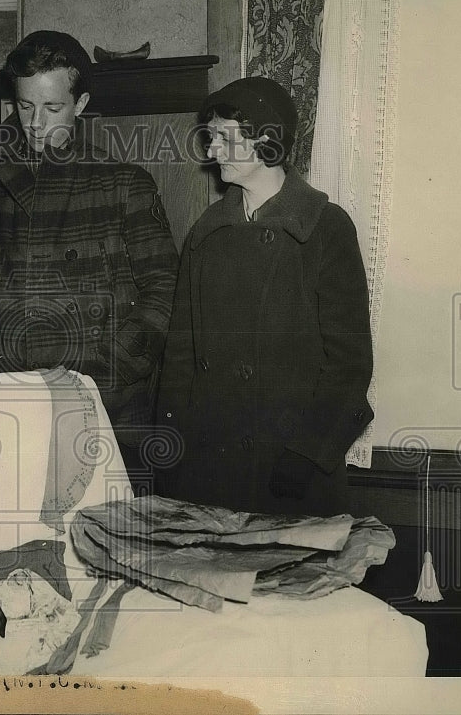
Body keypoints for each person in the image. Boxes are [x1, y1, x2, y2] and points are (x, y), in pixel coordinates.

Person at [0, 30, 179, 492]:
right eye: (25, 106)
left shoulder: (124, 184)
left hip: (107, 412)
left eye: (52, 108)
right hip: (13, 408)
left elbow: (166, 293)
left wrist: (100, 369)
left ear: (81, 103)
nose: (34, 123)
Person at [156, 76, 374, 517]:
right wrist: (169, 450)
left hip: (293, 470)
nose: (212, 150)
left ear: (267, 141)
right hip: (209, 471)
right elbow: (180, 357)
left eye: (224, 137)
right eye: (210, 136)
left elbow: (349, 363)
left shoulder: (325, 229)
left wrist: (307, 454)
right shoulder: (206, 232)